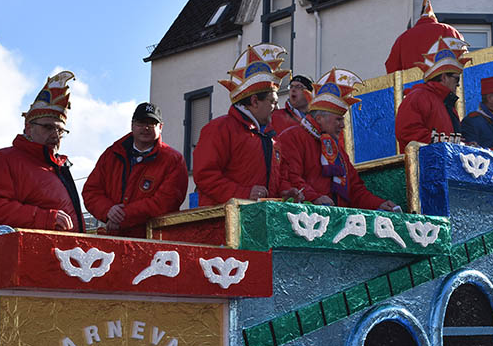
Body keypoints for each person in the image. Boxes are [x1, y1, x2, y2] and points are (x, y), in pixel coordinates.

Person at [0, 71, 84, 231]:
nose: (55, 135)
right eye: (48, 127)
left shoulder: (59, 168)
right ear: (28, 128)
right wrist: (45, 218)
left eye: (61, 131)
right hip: (31, 253)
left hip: (66, 253)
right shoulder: (0, 160)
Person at [193, 43, 300, 206]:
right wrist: (244, 193)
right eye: (272, 102)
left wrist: (285, 190)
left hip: (260, 220)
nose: (277, 108)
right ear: (255, 101)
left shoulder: (272, 138)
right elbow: (205, 176)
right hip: (224, 224)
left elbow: (280, 176)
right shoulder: (219, 129)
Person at [279, 69, 399, 211]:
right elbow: (290, 179)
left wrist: (378, 204)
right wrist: (315, 198)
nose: (342, 125)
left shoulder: (337, 149)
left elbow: (355, 190)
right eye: (338, 120)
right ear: (319, 118)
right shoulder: (292, 137)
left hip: (336, 218)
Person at [82, 103, 189, 237]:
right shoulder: (111, 154)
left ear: (160, 127)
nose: (145, 128)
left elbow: (165, 202)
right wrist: (107, 210)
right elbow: (91, 191)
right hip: (112, 237)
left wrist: (122, 216)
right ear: (132, 125)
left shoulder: (174, 160)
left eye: (151, 124)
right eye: (141, 123)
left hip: (154, 242)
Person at [394, 36, 471, 151]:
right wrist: (443, 144)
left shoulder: (447, 104)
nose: (458, 85)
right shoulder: (418, 97)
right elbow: (407, 132)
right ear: (444, 77)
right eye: (456, 79)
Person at [385, 2, 464, 73]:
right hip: (443, 83)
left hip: (412, 86)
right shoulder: (449, 30)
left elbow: (391, 67)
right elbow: (463, 58)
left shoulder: (402, 38)